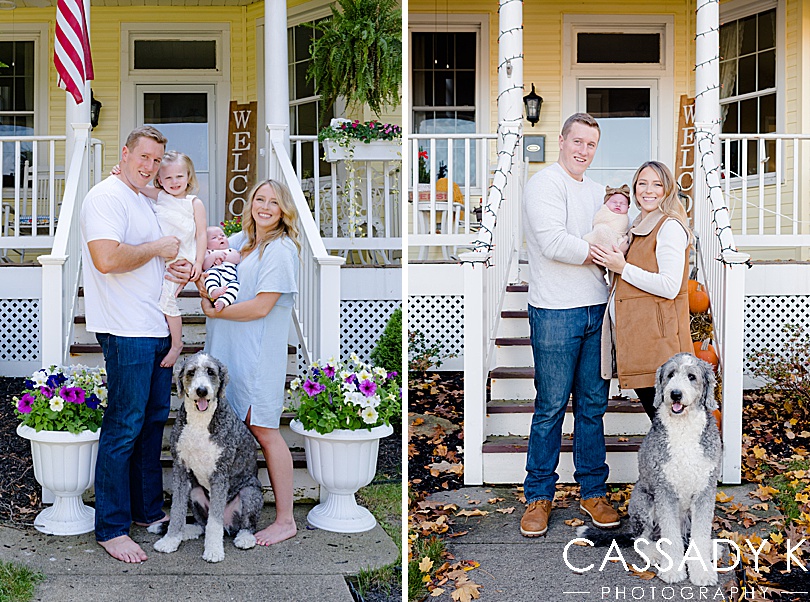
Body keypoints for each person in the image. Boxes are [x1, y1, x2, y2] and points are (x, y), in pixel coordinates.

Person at [80, 125, 192, 563]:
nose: (149, 167)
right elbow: (107, 259)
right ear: (124, 154)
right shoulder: (105, 197)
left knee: (150, 427)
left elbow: (155, 262)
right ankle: (110, 527)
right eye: (142, 157)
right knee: (123, 427)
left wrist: (175, 267)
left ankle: (146, 511)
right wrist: (158, 247)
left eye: (155, 161)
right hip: (125, 331)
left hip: (154, 329)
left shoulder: (143, 199)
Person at [520, 112, 620, 538]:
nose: (583, 151)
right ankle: (539, 496)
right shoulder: (544, 184)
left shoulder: (600, 192)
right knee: (550, 408)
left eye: (591, 145)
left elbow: (623, 236)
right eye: (577, 142)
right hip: (555, 311)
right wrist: (604, 254)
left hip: (598, 310)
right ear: (561, 141)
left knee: (593, 408)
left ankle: (592, 490)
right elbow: (553, 242)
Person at [200, 179, 300, 546]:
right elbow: (215, 279)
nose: (265, 207)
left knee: (264, 431)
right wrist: (207, 295)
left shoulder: (281, 249)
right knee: (230, 434)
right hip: (229, 353)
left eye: (274, 202)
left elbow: (261, 306)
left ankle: (286, 519)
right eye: (260, 199)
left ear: (283, 210)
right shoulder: (240, 243)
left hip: (258, 357)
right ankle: (224, 511)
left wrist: (217, 313)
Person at [591, 161, 694, 419]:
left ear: (667, 190)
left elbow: (669, 286)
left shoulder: (668, 226)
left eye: (657, 184)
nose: (648, 190)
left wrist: (622, 267)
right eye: (642, 183)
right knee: (664, 428)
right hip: (641, 344)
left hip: (659, 348)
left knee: (672, 430)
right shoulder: (639, 226)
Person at [132, 151, 207, 367]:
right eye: (168, 178)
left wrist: (198, 263)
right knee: (157, 299)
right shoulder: (159, 196)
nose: (174, 182)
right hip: (160, 259)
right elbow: (134, 185)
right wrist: (119, 172)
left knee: (167, 301)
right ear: (159, 180)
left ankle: (176, 345)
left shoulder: (194, 203)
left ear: (188, 177)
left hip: (181, 261)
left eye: (179, 176)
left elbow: (201, 234)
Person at [202, 226, 242, 311]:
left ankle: (223, 301)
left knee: (235, 286)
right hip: (215, 273)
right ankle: (213, 291)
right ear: (206, 244)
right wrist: (214, 256)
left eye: (222, 235)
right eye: (214, 237)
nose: (220, 238)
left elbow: (237, 259)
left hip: (229, 278)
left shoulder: (231, 251)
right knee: (211, 277)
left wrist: (222, 257)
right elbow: (205, 265)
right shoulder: (208, 252)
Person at [583, 185, 631, 249]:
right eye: (614, 202)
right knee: (601, 229)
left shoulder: (625, 218)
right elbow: (598, 221)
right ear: (605, 203)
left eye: (623, 204)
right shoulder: (604, 211)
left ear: (628, 207)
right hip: (600, 233)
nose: (618, 205)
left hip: (617, 238)